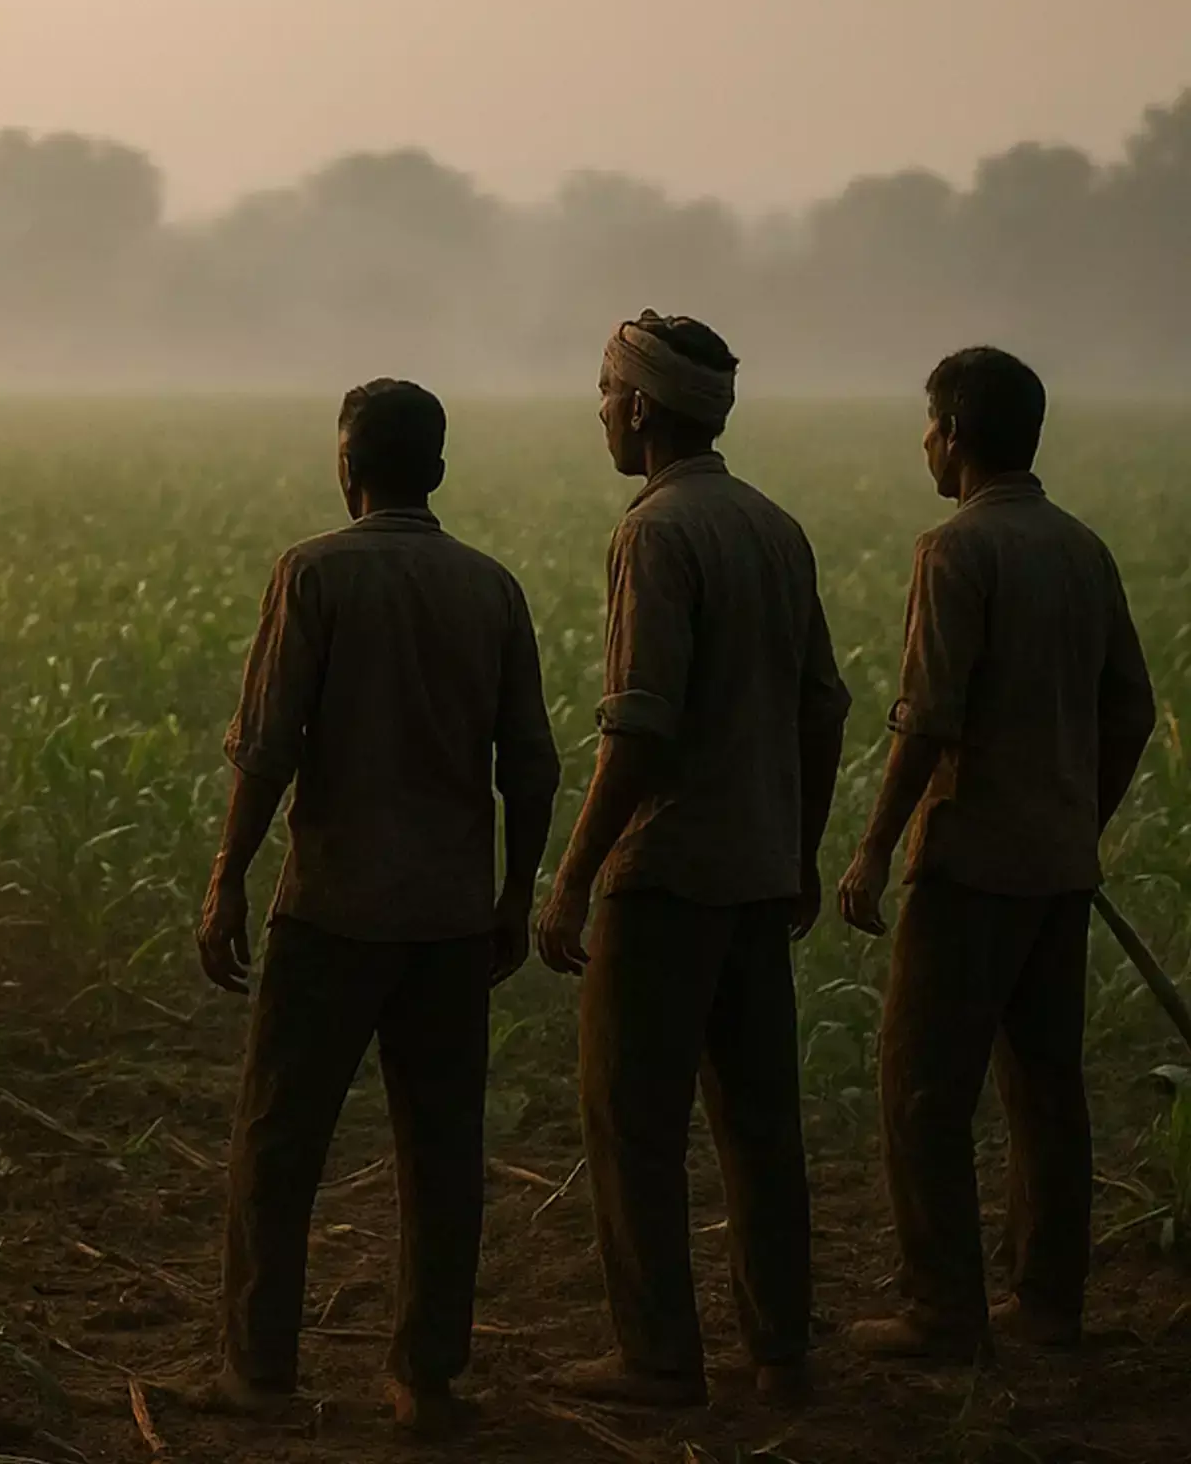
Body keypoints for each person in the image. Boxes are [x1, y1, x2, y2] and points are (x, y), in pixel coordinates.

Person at [190, 378, 561, 1437]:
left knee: (277, 1140)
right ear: (436, 471)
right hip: (446, 918)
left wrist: (228, 874)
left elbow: (267, 751)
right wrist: (512, 893)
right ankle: (425, 1378)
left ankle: (258, 1370)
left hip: (332, 911)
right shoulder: (490, 589)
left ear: (345, 466)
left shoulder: (313, 574)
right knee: (441, 1153)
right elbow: (528, 768)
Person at [535, 312, 850, 1409]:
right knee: (762, 1127)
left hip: (665, 875)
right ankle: (780, 1355)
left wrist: (572, 875)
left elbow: (639, 726)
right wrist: (800, 848)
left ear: (639, 406)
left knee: (633, 1121)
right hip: (759, 874)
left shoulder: (655, 534)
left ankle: (657, 1357)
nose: (601, 410)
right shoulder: (774, 527)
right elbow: (826, 706)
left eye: (606, 390)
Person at [838, 347, 1158, 1361]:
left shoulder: (953, 551)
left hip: (969, 864)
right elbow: (1132, 707)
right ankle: (1047, 1300)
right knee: (1045, 1088)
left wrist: (872, 851)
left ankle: (941, 1308)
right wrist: (1079, 816)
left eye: (930, 424)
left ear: (957, 434)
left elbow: (927, 721)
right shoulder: (1079, 547)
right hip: (1057, 867)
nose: (924, 442)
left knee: (922, 1087)